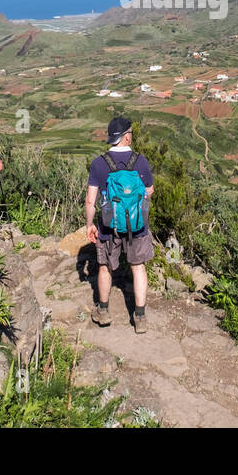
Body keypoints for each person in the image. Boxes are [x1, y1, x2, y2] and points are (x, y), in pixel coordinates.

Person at [85, 116, 155, 334]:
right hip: (137, 225)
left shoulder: (99, 163)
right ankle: (140, 317)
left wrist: (89, 225)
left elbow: (90, 200)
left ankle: (104, 311)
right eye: (131, 133)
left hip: (108, 225)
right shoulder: (140, 161)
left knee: (105, 266)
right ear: (126, 137)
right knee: (138, 267)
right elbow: (149, 190)